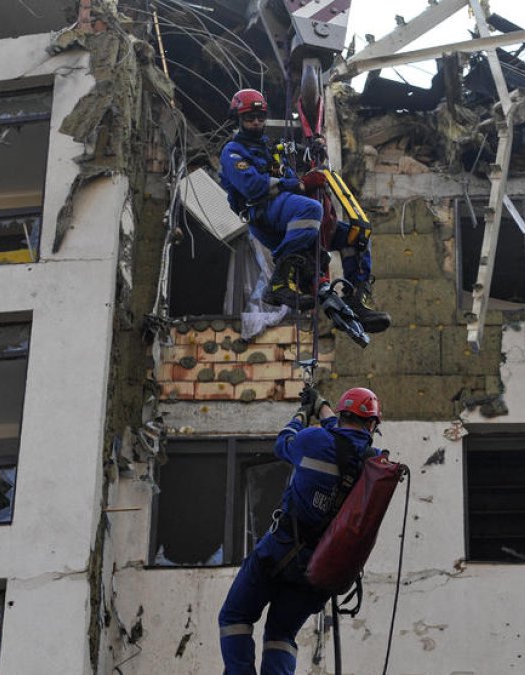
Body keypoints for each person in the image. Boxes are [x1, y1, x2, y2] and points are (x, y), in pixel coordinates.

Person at [218, 386, 383, 674]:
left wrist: (300, 414)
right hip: (319, 569)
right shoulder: (373, 461)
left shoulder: (312, 440)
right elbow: (347, 440)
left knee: (235, 616)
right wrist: (323, 406)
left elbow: (283, 442)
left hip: (278, 552)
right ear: (372, 424)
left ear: (343, 414)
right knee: (281, 636)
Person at [218, 89, 391, 333]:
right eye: (249, 118)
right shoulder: (232, 152)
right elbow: (253, 185)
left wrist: (313, 153)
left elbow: (289, 173)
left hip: (288, 211)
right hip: (264, 213)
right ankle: (280, 281)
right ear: (238, 118)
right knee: (311, 209)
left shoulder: (270, 150)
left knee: (356, 236)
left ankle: (356, 299)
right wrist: (297, 184)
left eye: (260, 117)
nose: (256, 122)